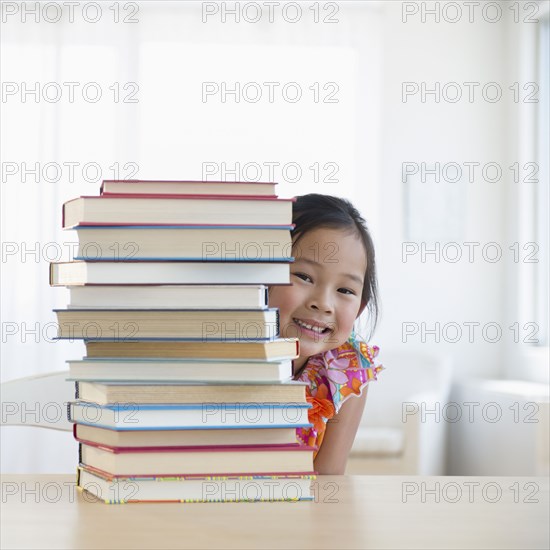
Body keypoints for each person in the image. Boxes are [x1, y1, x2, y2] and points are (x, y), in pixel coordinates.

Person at [268, 193, 384, 474]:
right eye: (304, 277)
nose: (323, 303)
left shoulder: (349, 370)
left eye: (345, 290)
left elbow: (329, 478)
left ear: (359, 309)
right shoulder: (224, 351)